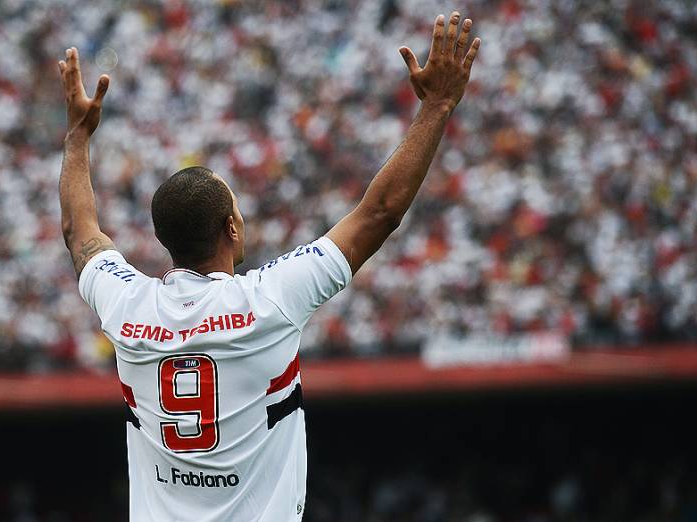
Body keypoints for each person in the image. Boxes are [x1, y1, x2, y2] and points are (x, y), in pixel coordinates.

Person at [56, 11, 480, 521]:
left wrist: (78, 135)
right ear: (231, 230)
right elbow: (380, 213)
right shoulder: (269, 300)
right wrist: (438, 105)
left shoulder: (126, 305)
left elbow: (81, 234)